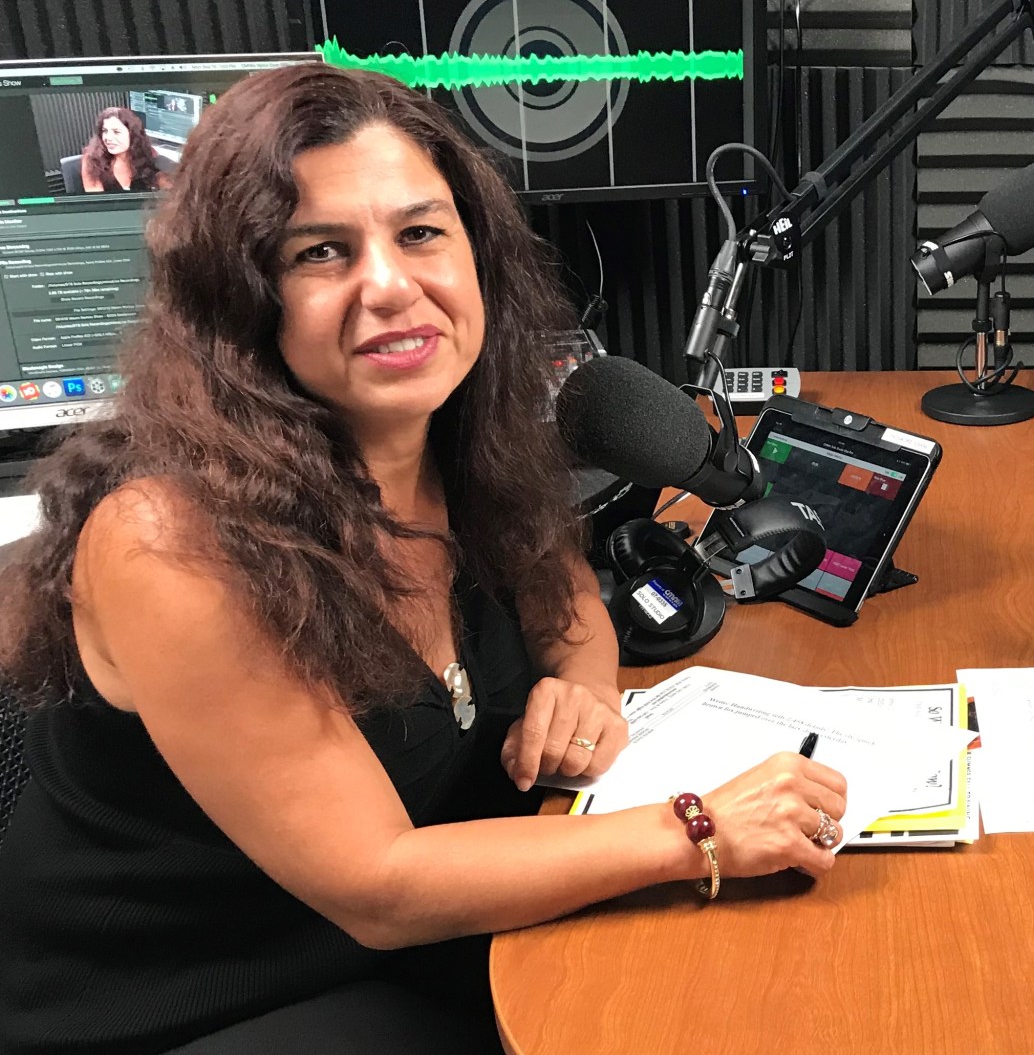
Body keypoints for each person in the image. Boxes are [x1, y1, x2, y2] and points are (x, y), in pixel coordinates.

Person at [0, 63, 849, 1054]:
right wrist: (695, 828)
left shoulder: (462, 442)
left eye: (420, 234)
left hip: (423, 938)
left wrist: (582, 686)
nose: (392, 286)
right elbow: (378, 884)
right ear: (240, 299)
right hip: (200, 996)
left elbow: (564, 589)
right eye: (321, 251)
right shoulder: (169, 541)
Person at [79, 105, 170, 193]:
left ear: (132, 134)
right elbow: (98, 201)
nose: (108, 138)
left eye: (116, 132)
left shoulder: (148, 155)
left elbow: (169, 193)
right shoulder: (92, 161)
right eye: (105, 131)